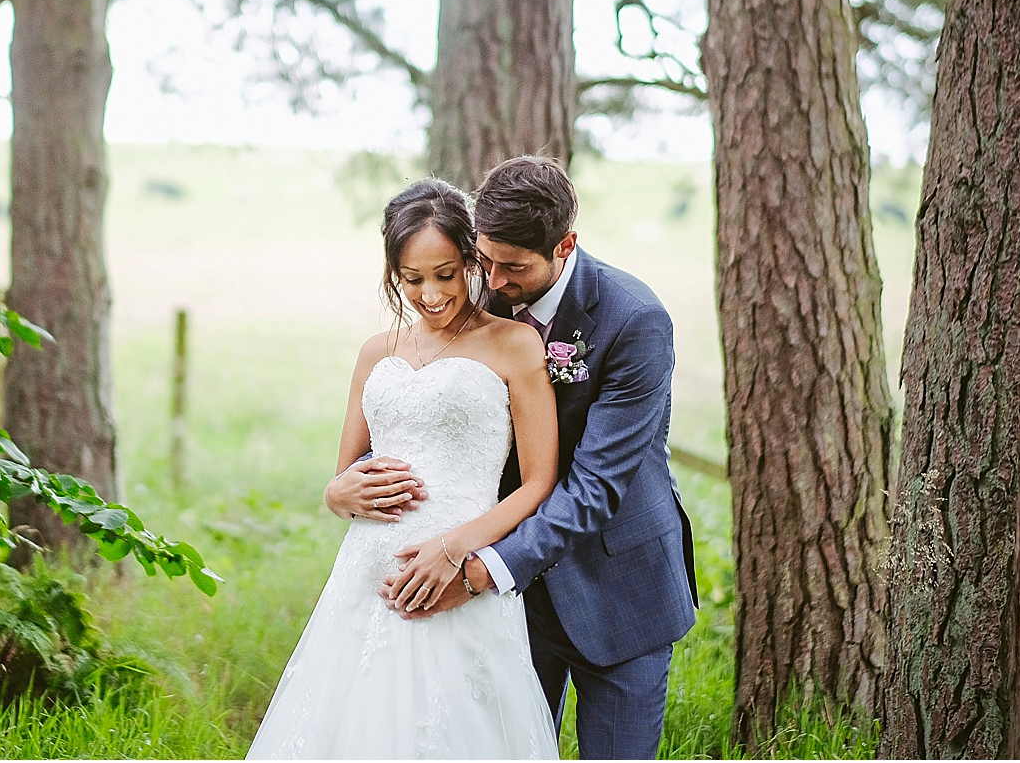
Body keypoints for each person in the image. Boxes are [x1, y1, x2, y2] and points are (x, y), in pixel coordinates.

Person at [334, 156, 698, 759]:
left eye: (514, 268)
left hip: (613, 585)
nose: (495, 281)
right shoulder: (473, 292)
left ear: (565, 245)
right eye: (486, 259)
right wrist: (342, 488)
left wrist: (477, 569)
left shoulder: (633, 320)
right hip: (507, 603)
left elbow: (594, 486)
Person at [247, 178, 562, 760]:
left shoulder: (515, 344)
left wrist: (457, 546)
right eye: (412, 279)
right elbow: (344, 475)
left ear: (474, 259)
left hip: (459, 563)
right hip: (368, 568)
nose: (432, 294)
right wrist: (335, 494)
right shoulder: (376, 350)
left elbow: (540, 481)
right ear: (393, 273)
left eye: (446, 274)